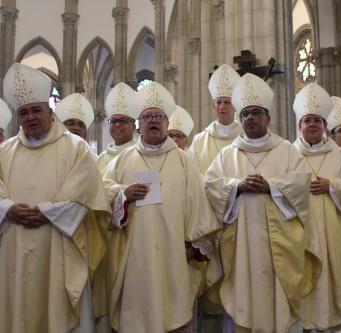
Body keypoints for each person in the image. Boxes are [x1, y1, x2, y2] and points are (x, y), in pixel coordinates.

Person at [205, 73, 321, 333]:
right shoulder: (227, 155)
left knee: (277, 302)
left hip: (278, 247)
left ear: (268, 118)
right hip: (240, 247)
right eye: (245, 113)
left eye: (256, 113)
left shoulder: (286, 150)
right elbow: (211, 185)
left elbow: (302, 183)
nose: (250, 118)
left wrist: (272, 187)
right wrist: (236, 186)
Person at [0, 63, 110, 333]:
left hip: (59, 247)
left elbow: (84, 195)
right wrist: (7, 208)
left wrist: (46, 212)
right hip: (14, 250)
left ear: (50, 111)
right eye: (24, 112)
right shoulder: (4, 151)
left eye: (36, 110)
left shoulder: (76, 148)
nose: (30, 117)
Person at [103, 81, 219, 333]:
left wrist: (193, 245)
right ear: (139, 123)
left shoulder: (184, 160)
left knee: (173, 315)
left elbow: (198, 207)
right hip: (134, 255)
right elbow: (103, 197)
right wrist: (124, 195)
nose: (153, 121)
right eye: (147, 117)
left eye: (158, 117)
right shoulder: (123, 160)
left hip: (175, 254)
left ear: (167, 122)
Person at [292, 83, 341, 332]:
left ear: (325, 125)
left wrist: (332, 186)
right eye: (307, 120)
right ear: (299, 125)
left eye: (317, 120)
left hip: (336, 238)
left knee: (333, 290)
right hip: (301, 237)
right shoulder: (288, 155)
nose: (312, 124)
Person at [188, 64, 242, 175]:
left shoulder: (245, 138)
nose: (222, 106)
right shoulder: (199, 141)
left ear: (235, 106)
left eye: (227, 102)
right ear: (214, 106)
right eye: (218, 102)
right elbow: (192, 175)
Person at [96, 82, 138, 175]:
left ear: (134, 126)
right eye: (114, 121)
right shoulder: (101, 158)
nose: (118, 124)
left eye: (123, 120)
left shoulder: (141, 155)